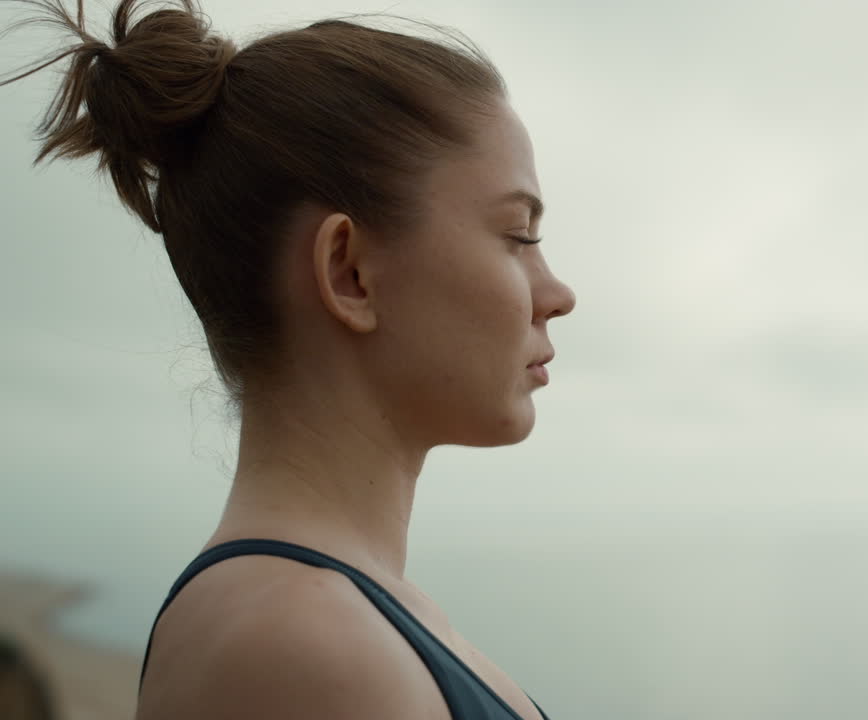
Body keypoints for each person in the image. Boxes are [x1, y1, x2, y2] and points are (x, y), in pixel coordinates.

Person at [2, 1, 576, 718]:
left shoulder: (353, 616)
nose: (558, 293)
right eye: (518, 236)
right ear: (349, 273)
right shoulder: (305, 648)